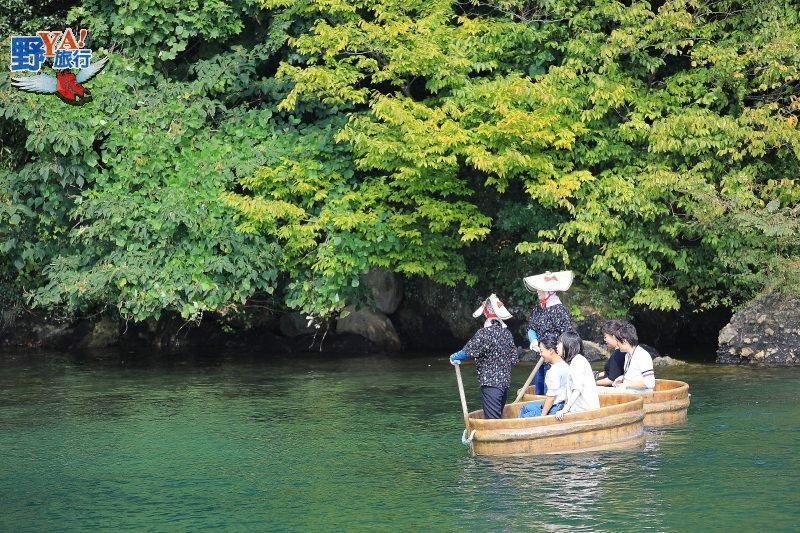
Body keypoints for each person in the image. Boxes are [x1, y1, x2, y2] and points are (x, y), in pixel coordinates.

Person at [449, 294, 518, 419]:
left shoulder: (484, 333)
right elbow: (514, 360)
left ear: (486, 312)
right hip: (504, 385)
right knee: (497, 417)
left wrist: (454, 357)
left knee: (493, 421)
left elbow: (467, 351)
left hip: (490, 385)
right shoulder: (507, 333)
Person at [522, 270, 574, 395]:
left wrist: (556, 352)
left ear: (549, 291)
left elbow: (566, 335)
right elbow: (531, 328)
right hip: (540, 354)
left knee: (549, 389)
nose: (538, 292)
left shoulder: (560, 310)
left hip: (554, 357)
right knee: (539, 388)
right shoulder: (538, 308)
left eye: (541, 290)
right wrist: (533, 340)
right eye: (538, 290)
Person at [518, 333, 568, 417]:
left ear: (551, 351)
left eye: (541, 351)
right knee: (525, 408)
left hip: (556, 407)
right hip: (561, 404)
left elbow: (551, 398)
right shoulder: (565, 365)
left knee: (524, 416)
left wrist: (542, 416)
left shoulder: (553, 371)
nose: (540, 354)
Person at [555, 330, 600, 421]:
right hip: (580, 410)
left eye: (559, 343)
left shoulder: (578, 361)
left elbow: (578, 389)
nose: (556, 346)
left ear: (569, 345)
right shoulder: (576, 360)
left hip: (585, 412)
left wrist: (565, 409)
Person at [610, 322, 656, 392]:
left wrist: (625, 384)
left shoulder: (642, 355)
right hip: (629, 392)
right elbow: (634, 376)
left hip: (641, 395)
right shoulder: (627, 355)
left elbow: (650, 383)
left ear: (624, 341)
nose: (617, 344)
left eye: (617, 341)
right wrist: (622, 378)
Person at [595, 319, 626, 387]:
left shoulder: (618, 354)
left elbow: (611, 379)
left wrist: (593, 383)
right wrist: (597, 375)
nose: (604, 340)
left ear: (613, 336)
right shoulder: (622, 352)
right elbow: (613, 371)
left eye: (605, 337)